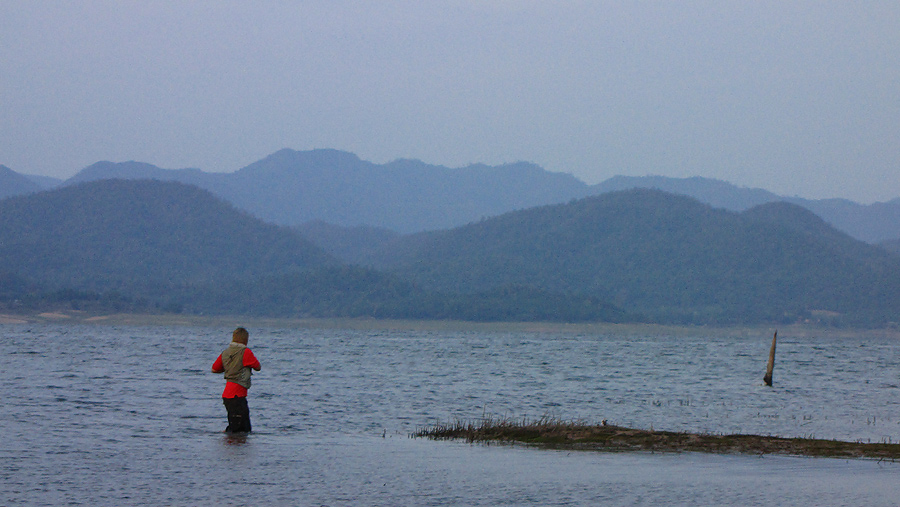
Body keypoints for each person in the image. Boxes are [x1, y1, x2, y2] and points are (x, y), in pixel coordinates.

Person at [211, 327, 261, 433]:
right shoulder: (245, 352)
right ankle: (235, 448)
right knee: (241, 429)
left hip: (227, 394)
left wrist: (230, 369)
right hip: (238, 395)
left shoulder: (225, 352)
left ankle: (231, 446)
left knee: (236, 426)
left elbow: (214, 369)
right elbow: (257, 366)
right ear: (246, 340)